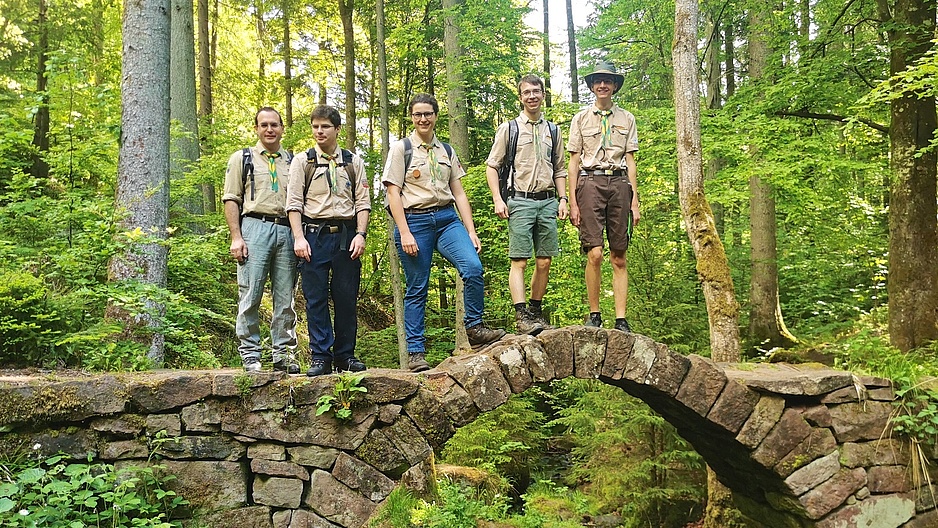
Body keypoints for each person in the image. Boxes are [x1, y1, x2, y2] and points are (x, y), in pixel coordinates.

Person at [383, 93, 506, 372]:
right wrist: (404, 232)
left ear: (436, 115)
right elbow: (393, 193)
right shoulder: (401, 149)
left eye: (428, 113)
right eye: (417, 114)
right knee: (417, 286)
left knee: (473, 267)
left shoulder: (446, 151)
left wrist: (471, 231)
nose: (423, 119)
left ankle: (474, 329)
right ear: (411, 118)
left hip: (447, 219)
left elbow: (459, 194)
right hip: (414, 221)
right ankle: (416, 353)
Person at [286, 105, 370, 377]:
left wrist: (361, 234)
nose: (319, 131)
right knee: (315, 298)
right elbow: (294, 203)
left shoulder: (352, 162)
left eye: (325, 126)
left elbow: (363, 202)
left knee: (346, 297)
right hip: (313, 235)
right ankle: (321, 356)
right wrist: (299, 238)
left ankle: (345, 355)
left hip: (346, 235)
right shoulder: (304, 161)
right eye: (315, 126)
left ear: (337, 129)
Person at [485, 74, 567, 335]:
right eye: (526, 92)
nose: (532, 96)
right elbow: (492, 166)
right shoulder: (510, 129)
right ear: (520, 97)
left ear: (543, 94)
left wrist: (563, 199)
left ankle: (535, 310)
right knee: (519, 260)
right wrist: (498, 199)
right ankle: (521, 315)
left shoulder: (553, 130)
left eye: (536, 91)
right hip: (519, 200)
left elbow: (561, 169)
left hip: (547, 201)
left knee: (544, 261)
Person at [222, 107, 299, 372]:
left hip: (287, 229)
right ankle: (251, 354)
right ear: (256, 128)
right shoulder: (242, 158)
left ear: (282, 128)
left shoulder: (293, 161)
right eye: (264, 125)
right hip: (254, 226)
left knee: (285, 296)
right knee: (251, 293)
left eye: (274, 125)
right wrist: (236, 237)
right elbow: (231, 198)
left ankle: (284, 353)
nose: (269, 129)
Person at [567, 62, 641, 333]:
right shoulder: (581, 119)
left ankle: (621, 319)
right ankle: (594, 314)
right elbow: (573, 162)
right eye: (598, 81)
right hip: (590, 182)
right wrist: (573, 201)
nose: (602, 85)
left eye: (607, 81)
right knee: (595, 253)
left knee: (618, 255)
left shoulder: (627, 118)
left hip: (619, 182)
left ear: (615, 86)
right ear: (591, 86)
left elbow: (631, 160)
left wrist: (634, 200)